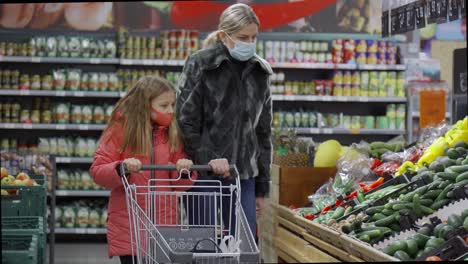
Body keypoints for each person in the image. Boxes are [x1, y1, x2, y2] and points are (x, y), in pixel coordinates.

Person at [176, 3, 272, 237]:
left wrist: (262, 188)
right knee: (203, 246)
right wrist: (209, 160)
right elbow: (185, 121)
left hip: (244, 177)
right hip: (203, 174)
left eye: (253, 37)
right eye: (242, 37)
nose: (249, 43)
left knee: (243, 246)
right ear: (223, 36)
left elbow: (263, 133)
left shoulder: (261, 72)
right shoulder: (201, 64)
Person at [90, 76, 197, 264]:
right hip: (129, 224)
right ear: (145, 105)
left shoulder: (172, 132)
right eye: (164, 106)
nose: (171, 111)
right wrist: (122, 168)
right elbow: (98, 171)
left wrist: (184, 169)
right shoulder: (120, 130)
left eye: (173, 105)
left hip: (165, 225)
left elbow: (180, 183)